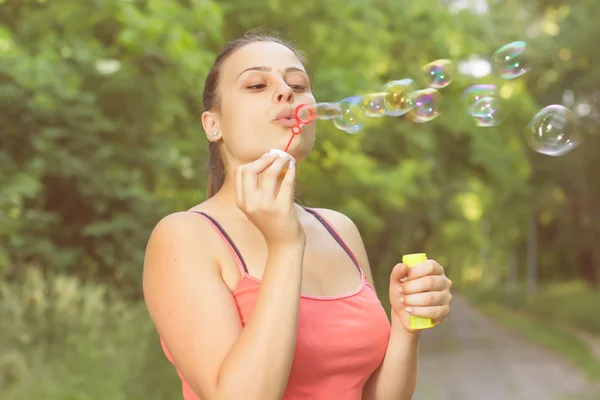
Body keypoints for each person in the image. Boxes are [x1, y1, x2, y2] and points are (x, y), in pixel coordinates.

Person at [142, 31, 453, 400]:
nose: (287, 93)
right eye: (257, 84)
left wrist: (405, 327)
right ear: (213, 125)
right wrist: (286, 246)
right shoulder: (185, 236)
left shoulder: (339, 229)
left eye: (298, 84)